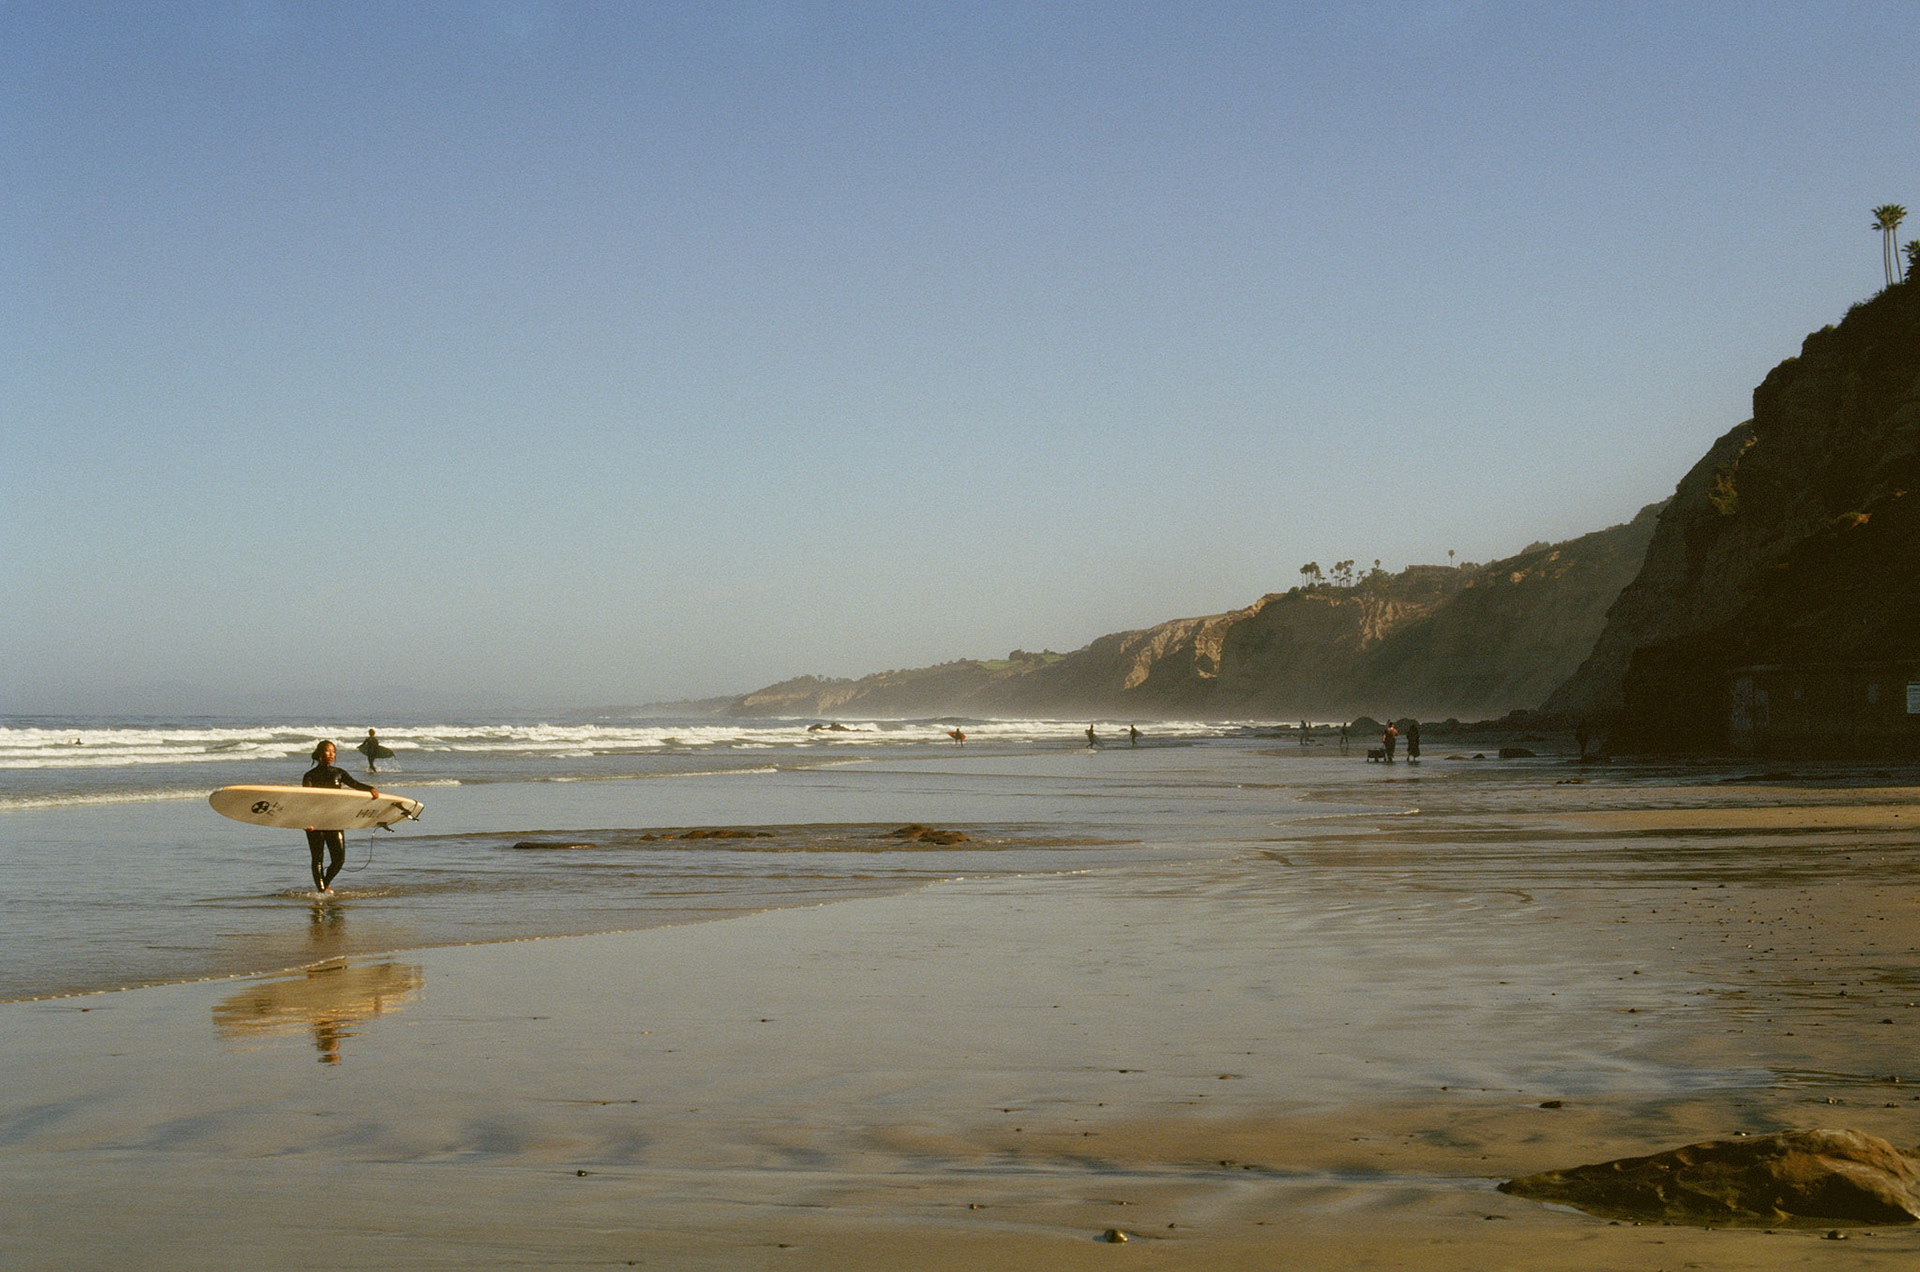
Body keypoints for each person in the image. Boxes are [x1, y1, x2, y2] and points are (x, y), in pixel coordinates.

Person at [303, 740, 378, 894]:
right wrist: (307, 821)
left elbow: (355, 784)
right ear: (319, 754)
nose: (331, 755)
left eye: (334, 752)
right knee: (318, 858)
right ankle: (322, 891)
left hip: (334, 819)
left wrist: (370, 789)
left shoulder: (339, 773)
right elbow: (305, 800)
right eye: (328, 751)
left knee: (339, 860)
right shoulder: (309, 776)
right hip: (315, 821)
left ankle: (323, 887)